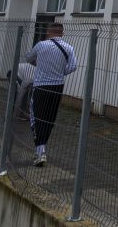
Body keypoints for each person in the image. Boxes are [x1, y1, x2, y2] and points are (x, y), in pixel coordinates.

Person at [23, 23, 78, 166]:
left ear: (48, 32)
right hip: (57, 87)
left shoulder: (41, 45)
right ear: (62, 33)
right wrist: (60, 72)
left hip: (41, 86)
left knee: (36, 117)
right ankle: (41, 149)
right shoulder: (69, 47)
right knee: (49, 119)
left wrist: (40, 65)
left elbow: (28, 58)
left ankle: (40, 151)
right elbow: (73, 66)